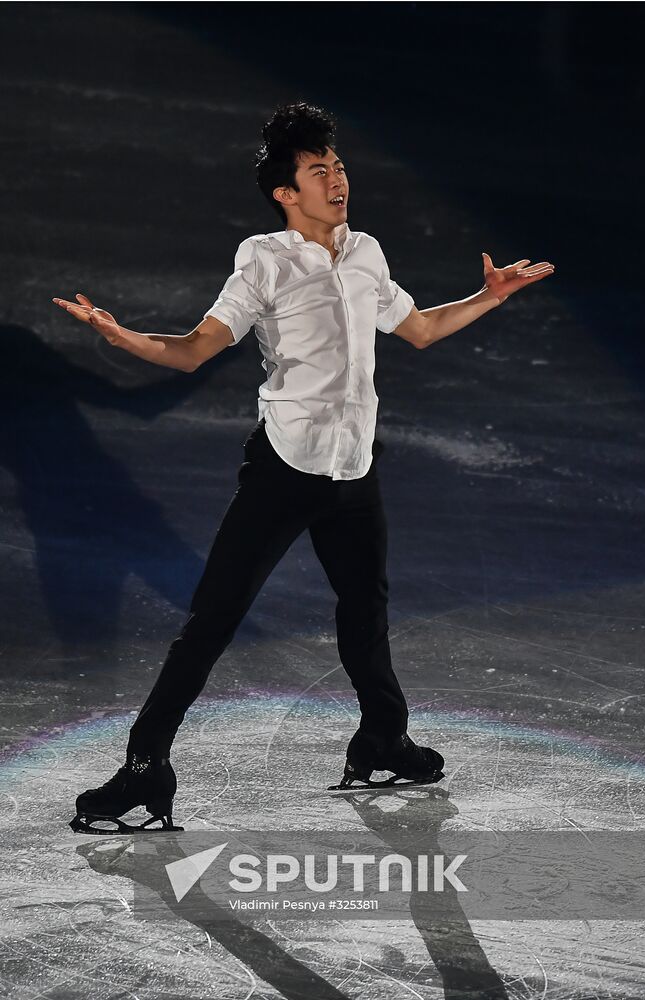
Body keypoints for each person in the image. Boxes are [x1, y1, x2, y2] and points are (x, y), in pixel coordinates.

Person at [53, 102, 554, 834]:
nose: (336, 178)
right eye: (318, 170)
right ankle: (143, 768)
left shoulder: (366, 253)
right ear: (286, 192)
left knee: (365, 617)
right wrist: (121, 336)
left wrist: (488, 296)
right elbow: (196, 347)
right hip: (284, 469)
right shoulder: (263, 258)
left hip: (353, 468)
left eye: (338, 165)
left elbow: (416, 330)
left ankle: (383, 739)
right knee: (212, 621)